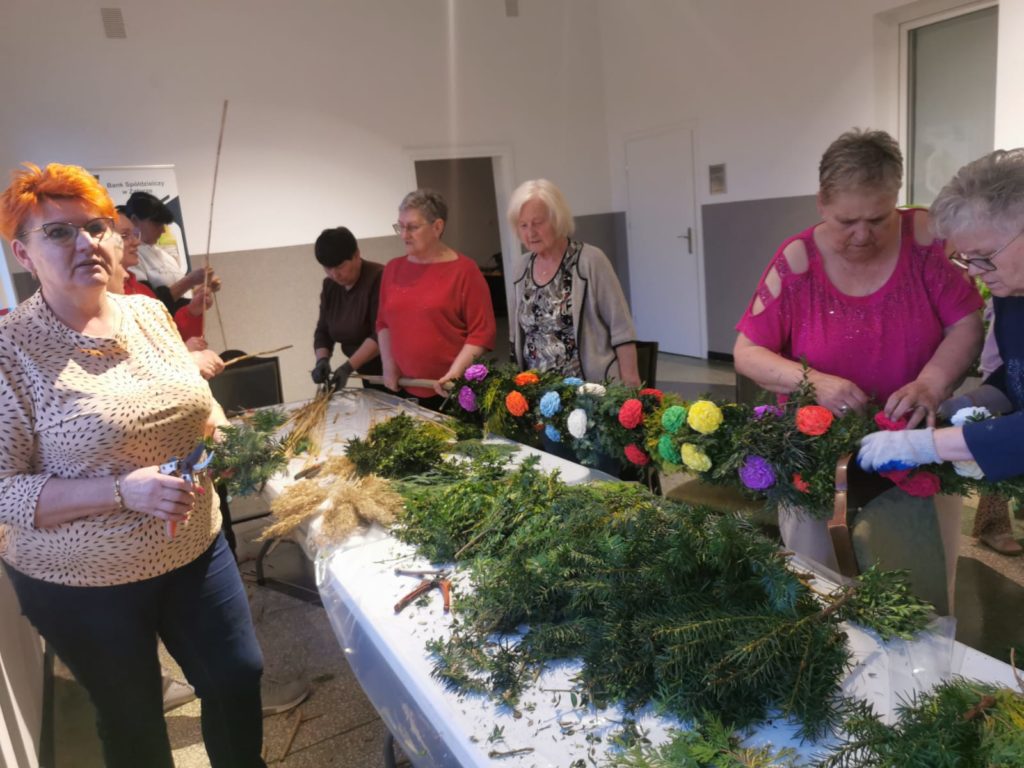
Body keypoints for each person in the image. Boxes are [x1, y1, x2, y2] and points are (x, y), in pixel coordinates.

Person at [0, 163, 266, 767]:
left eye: (97, 227)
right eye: (59, 232)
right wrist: (122, 490)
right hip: (81, 581)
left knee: (236, 676)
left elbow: (198, 404)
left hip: (193, 547)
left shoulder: (148, 315)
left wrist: (221, 435)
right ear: (23, 253)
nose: (86, 243)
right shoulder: (11, 350)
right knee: (133, 719)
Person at [734, 129, 983, 613]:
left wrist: (931, 382)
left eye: (879, 219)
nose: (863, 235)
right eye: (847, 221)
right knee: (818, 588)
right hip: (815, 457)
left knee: (921, 592)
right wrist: (814, 383)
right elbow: (747, 352)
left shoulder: (926, 240)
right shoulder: (796, 261)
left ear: (896, 198)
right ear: (821, 203)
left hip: (916, 445)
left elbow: (966, 324)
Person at [860, 148, 1024, 537]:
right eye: (967, 259)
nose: (978, 273)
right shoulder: (1011, 290)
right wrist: (966, 404)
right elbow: (1015, 372)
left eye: (985, 256)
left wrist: (927, 445)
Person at [507, 179, 640, 386]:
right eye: (523, 225)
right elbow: (516, 337)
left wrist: (631, 386)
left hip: (590, 390)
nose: (530, 233)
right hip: (536, 392)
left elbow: (621, 328)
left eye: (538, 223)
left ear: (557, 219)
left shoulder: (590, 261)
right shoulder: (520, 268)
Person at [377, 189, 496, 408]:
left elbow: (482, 333)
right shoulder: (392, 269)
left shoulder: (465, 271)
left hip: (451, 392)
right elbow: (383, 323)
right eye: (400, 226)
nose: (404, 235)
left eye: (412, 227)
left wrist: (455, 374)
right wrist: (388, 364)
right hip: (405, 388)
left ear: (437, 227)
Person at [110, 208, 225, 380]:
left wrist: (193, 310)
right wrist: (183, 355)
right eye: (125, 236)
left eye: (135, 234)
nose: (136, 242)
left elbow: (166, 333)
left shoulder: (142, 290)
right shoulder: (105, 297)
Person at [310, 226, 385, 390]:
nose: (334, 274)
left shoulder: (379, 277)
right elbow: (323, 331)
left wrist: (348, 367)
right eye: (327, 268)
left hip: (393, 371)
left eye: (340, 267)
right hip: (367, 373)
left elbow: (381, 334)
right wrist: (322, 360)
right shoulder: (330, 285)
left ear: (356, 255)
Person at [124, 190, 216, 313]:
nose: (163, 231)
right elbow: (147, 305)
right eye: (157, 224)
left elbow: (180, 301)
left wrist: (202, 291)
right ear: (135, 220)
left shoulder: (167, 257)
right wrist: (189, 281)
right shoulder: (132, 257)